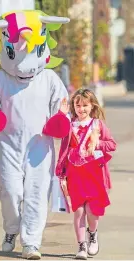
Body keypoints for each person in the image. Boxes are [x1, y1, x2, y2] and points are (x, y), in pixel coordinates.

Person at [0, 10, 70, 260]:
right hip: (8, 145)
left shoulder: (49, 78)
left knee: (37, 193)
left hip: (40, 147)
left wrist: (59, 122)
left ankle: (31, 242)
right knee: (10, 190)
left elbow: (63, 107)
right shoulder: (0, 78)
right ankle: (11, 229)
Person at [56, 89, 116, 260]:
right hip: (75, 176)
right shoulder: (70, 125)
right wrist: (61, 171)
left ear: (92, 106)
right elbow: (62, 147)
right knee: (79, 211)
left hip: (94, 176)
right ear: (73, 106)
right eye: (78, 105)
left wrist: (97, 144)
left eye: (85, 105)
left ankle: (93, 234)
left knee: (91, 210)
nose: (81, 109)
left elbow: (112, 145)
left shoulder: (97, 125)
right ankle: (81, 245)